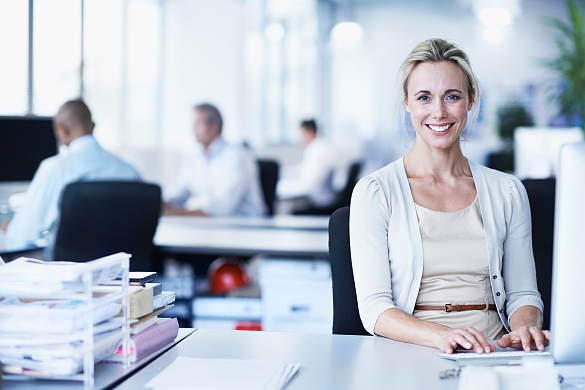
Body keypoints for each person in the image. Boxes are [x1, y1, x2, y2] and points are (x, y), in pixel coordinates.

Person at [349, 38, 549, 355]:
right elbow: (374, 309)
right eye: (424, 98)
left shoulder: (507, 191)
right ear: (407, 103)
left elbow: (524, 294)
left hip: (493, 350)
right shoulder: (376, 192)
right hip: (413, 350)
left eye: (452, 96)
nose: (439, 112)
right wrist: (442, 336)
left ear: (471, 100)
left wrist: (525, 327)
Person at [5, 99, 141, 249]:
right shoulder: (129, 171)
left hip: (68, 270)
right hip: (123, 269)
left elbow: (23, 236)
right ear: (93, 126)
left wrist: (11, 230)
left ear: (62, 129)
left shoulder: (55, 169)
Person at [163, 103, 266, 217]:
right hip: (212, 225)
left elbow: (222, 206)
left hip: (244, 226)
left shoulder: (236, 156)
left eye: (197, 124)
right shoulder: (194, 157)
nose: (193, 130)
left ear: (213, 127)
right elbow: (180, 192)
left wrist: (177, 212)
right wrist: (159, 202)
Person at [276, 119, 337, 212]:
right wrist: (280, 173)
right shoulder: (316, 148)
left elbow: (308, 187)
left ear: (308, 132)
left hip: (318, 202)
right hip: (317, 198)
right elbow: (302, 169)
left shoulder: (319, 152)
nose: (298, 138)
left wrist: (279, 187)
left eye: (300, 134)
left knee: (281, 206)